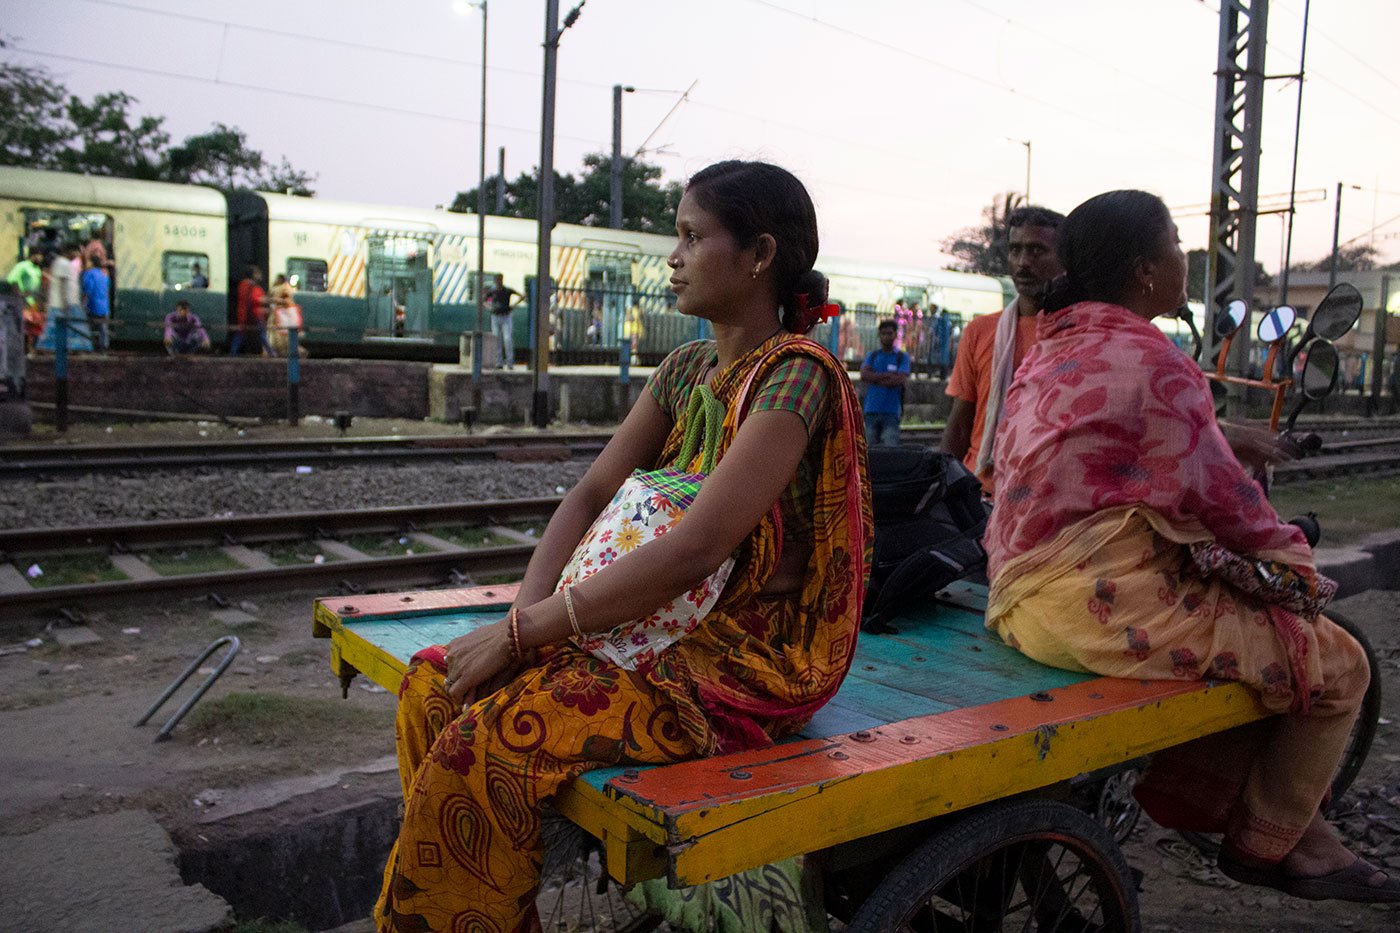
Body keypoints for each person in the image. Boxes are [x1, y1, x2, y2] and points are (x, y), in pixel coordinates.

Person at [374, 160, 872, 931]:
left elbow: (698, 547)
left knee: (483, 744)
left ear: (761, 254)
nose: (671, 258)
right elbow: (590, 495)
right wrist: (520, 621)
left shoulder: (796, 376)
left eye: (690, 237)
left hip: (730, 655)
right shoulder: (685, 369)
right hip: (643, 624)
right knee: (432, 690)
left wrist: (525, 633)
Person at [984, 189, 1395, 904]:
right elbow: (1228, 505)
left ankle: (1290, 826)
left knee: (1248, 625)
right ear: (1147, 272)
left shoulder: (1053, 344)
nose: (1185, 258)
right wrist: (1297, 560)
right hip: (1094, 616)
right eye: (1176, 243)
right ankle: (1273, 843)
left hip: (1019, 600)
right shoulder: (1156, 359)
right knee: (1340, 660)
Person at [943, 206, 1064, 495]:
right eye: (1015, 250)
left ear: (1064, 260)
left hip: (1043, 499)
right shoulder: (980, 331)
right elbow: (960, 427)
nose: (1023, 262)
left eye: (1037, 251)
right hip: (980, 494)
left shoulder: (1077, 334)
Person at [36, 244, 94, 353]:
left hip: (60, 302)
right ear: (70, 251)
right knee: (75, 327)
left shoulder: (59, 262)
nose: (77, 255)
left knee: (56, 328)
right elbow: (63, 285)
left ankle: (51, 349)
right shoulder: (65, 263)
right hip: (66, 302)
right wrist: (65, 303)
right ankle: (74, 349)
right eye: (76, 252)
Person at [860, 319, 909, 446]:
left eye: (890, 333)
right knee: (868, 451)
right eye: (883, 333)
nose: (886, 337)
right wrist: (887, 375)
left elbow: (900, 379)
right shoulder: (872, 356)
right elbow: (864, 375)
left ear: (895, 334)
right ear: (879, 335)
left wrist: (875, 377)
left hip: (891, 412)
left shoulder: (902, 357)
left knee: (890, 449)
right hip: (871, 409)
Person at [6, 249, 45, 353]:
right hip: (23, 302)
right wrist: (20, 294)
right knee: (25, 327)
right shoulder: (22, 266)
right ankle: (24, 350)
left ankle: (31, 349)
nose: (40, 258)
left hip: (33, 302)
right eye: (38, 255)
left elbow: (37, 286)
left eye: (41, 256)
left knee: (35, 326)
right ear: (32, 255)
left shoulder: (37, 269)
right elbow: (12, 279)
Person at [230, 265, 274, 356]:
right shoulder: (250, 285)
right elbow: (254, 300)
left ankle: (232, 353)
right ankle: (271, 353)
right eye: (258, 273)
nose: (260, 276)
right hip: (251, 314)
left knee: (241, 333)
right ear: (253, 274)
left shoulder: (245, 285)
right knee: (261, 334)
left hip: (248, 313)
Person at [485, 273, 521, 368]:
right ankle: (499, 362)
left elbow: (522, 295)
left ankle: (509, 362)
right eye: (497, 280)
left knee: (507, 338)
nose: (499, 281)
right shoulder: (492, 291)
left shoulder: (507, 290)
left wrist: (514, 305)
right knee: (497, 339)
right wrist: (489, 307)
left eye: (500, 279)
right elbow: (484, 300)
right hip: (496, 316)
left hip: (506, 316)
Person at [81, 254, 111, 351]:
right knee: (103, 328)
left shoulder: (89, 274)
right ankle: (104, 346)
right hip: (104, 306)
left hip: (92, 305)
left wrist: (83, 303)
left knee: (86, 326)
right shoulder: (104, 274)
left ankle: (86, 345)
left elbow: (87, 290)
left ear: (92, 263)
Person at [268, 273, 302, 357]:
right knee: (282, 334)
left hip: (280, 315)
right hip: (281, 315)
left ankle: (288, 352)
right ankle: (286, 352)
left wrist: (277, 301)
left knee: (279, 335)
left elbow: (286, 300)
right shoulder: (286, 288)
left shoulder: (280, 288)